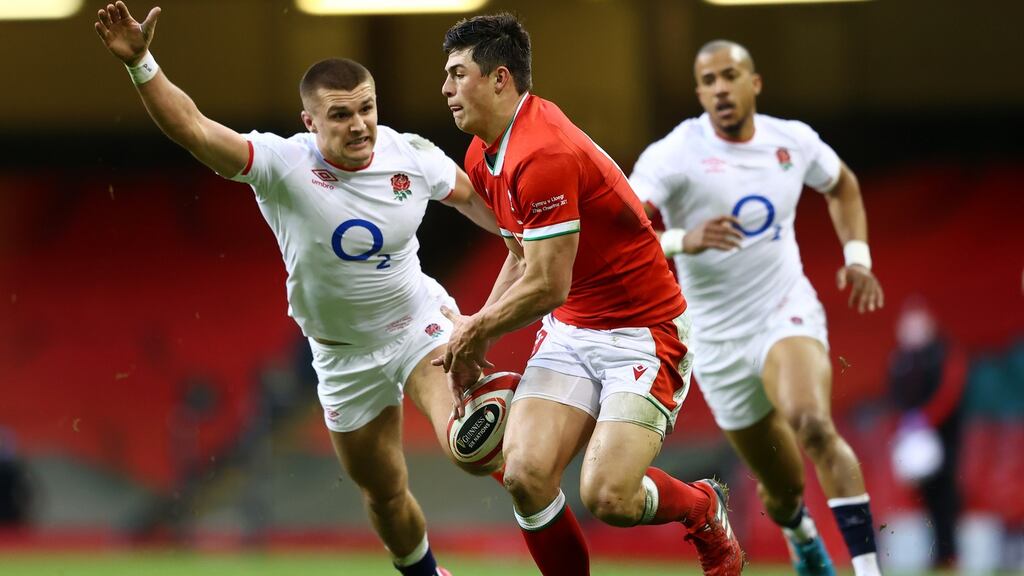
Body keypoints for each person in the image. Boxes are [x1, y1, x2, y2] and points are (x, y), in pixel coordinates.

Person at [95, 3, 501, 575]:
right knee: (384, 493)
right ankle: (426, 573)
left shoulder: (408, 153)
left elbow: (474, 198)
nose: (360, 125)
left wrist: (530, 243)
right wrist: (141, 63)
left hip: (417, 323)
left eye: (367, 109)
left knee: (466, 439)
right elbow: (192, 128)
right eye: (341, 115)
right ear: (310, 122)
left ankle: (503, 441)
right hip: (340, 358)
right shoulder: (283, 164)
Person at [437, 14, 744, 576]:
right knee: (526, 475)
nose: (447, 89)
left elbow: (548, 282)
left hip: (643, 334)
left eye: (458, 74)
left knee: (610, 497)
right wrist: (474, 331)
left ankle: (703, 506)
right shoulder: (484, 155)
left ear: (500, 78)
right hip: (574, 329)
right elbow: (520, 257)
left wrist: (475, 330)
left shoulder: (542, 152)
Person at [629, 40, 886, 576]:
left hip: (783, 309)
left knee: (813, 423)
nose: (720, 88)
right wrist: (683, 240)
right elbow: (625, 229)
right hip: (718, 342)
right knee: (783, 491)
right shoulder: (673, 155)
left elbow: (843, 185)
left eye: (730, 75)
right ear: (699, 92)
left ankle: (867, 569)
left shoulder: (791, 141)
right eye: (709, 81)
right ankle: (801, 534)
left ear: (754, 83)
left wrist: (857, 257)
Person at [887, 297, 967, 568]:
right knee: (926, 498)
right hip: (914, 438)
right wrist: (904, 424)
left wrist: (927, 418)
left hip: (943, 436)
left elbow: (950, 391)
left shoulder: (943, 352)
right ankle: (937, 554)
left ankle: (950, 555)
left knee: (946, 496)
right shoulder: (900, 359)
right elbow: (894, 398)